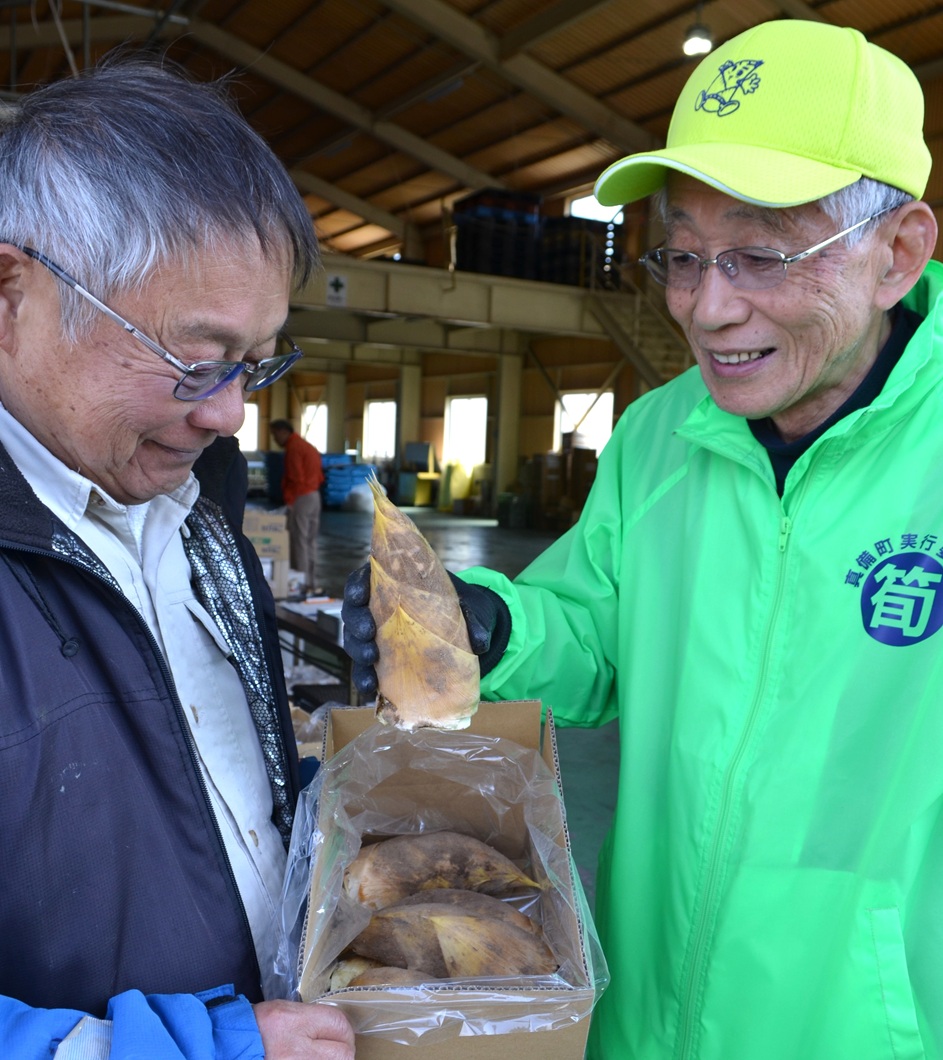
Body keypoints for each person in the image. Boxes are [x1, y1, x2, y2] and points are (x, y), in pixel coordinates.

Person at [343, 19, 943, 1058]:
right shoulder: (660, 434)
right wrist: (490, 620)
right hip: (640, 1008)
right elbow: (594, 632)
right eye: (683, 255)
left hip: (859, 1024)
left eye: (759, 254)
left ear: (895, 253)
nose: (707, 309)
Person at [0, 55, 353, 1060]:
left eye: (257, 359)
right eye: (195, 361)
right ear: (11, 291)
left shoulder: (190, 519)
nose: (232, 410)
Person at [270, 418, 325, 595]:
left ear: (283, 432)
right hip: (314, 495)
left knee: (299, 541)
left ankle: (300, 583)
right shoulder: (307, 446)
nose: (274, 439)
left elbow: (295, 478)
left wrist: (290, 501)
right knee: (309, 541)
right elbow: (319, 475)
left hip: (301, 497)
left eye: (275, 434)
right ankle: (311, 582)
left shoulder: (294, 449)